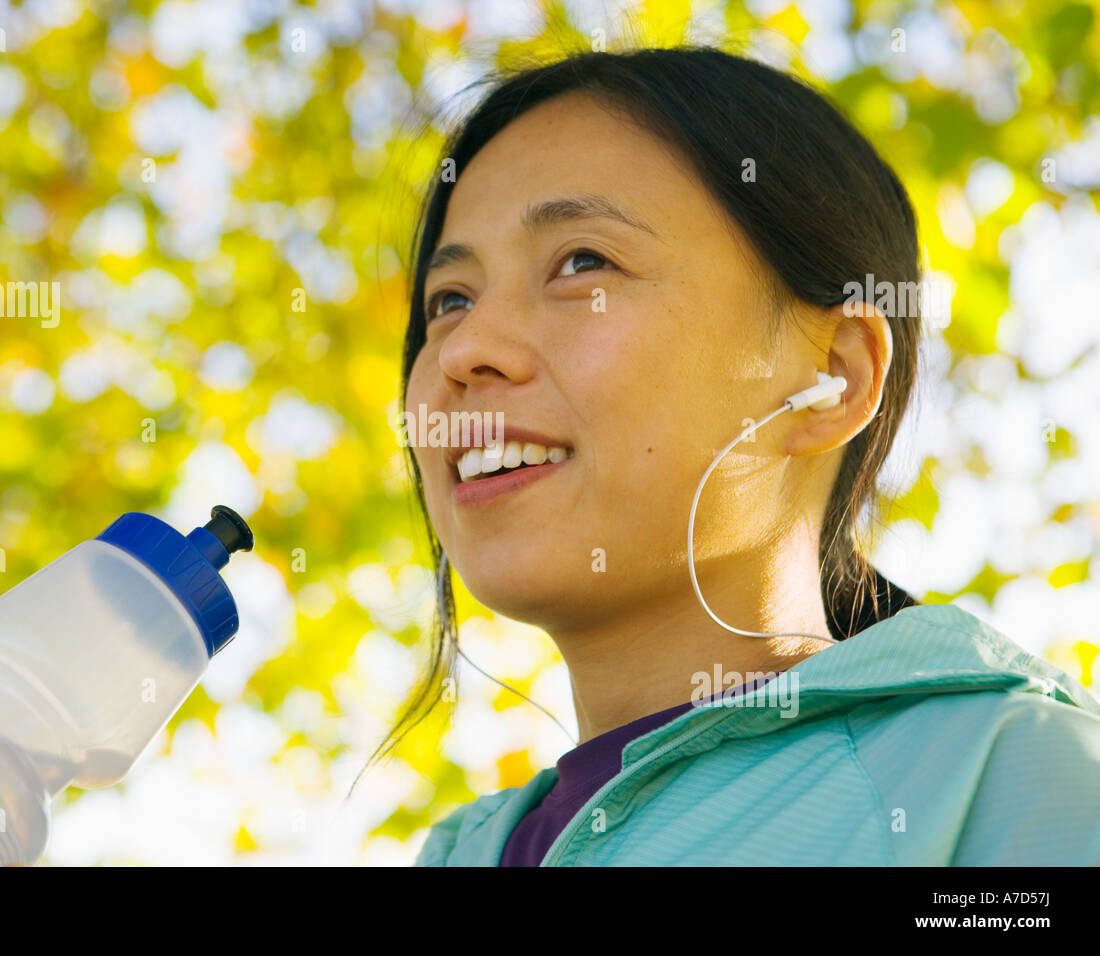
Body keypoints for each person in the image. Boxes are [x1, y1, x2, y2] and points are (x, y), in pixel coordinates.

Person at [357, 45, 1100, 865]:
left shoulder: (1013, 783)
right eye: (449, 301)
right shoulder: (457, 854)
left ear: (833, 376)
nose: (465, 351)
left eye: (583, 263)